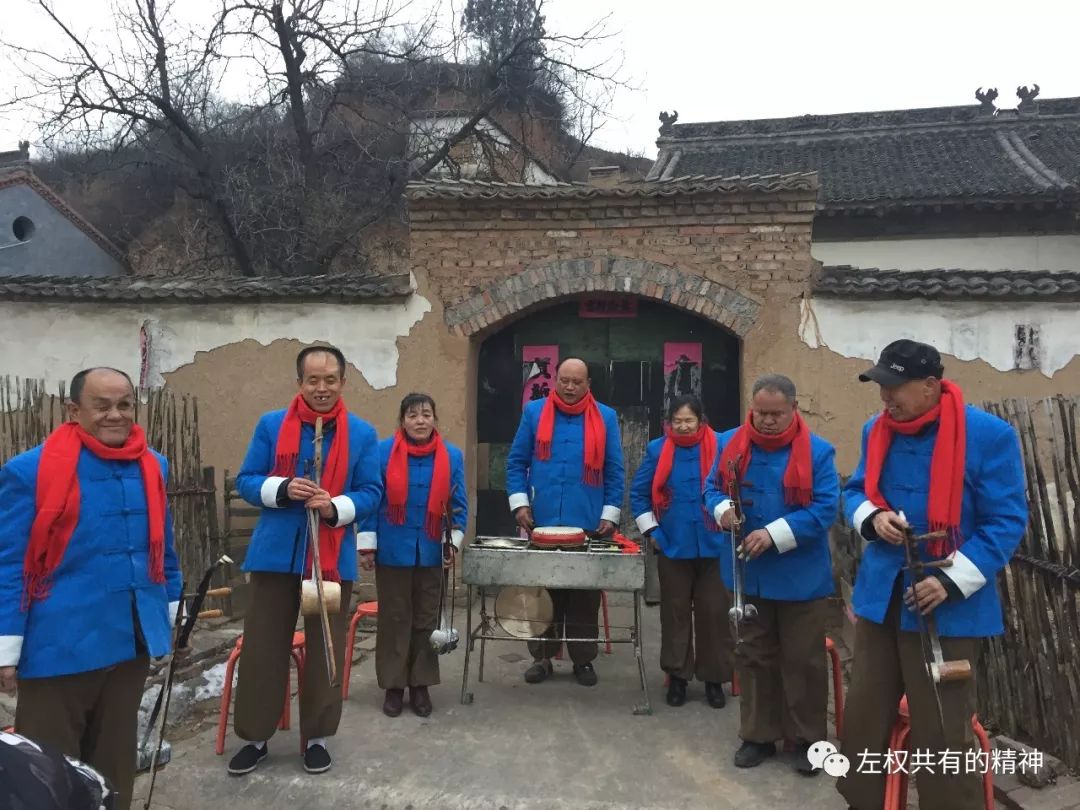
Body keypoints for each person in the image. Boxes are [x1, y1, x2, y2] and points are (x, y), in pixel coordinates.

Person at [837, 340, 1027, 810]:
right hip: (884, 597)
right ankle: (864, 802)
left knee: (942, 732)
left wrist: (949, 580)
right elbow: (855, 489)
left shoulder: (988, 436)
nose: (886, 399)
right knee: (864, 718)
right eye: (881, 388)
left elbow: (1006, 522)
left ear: (929, 386)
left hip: (951, 609)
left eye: (894, 388)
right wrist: (871, 517)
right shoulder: (875, 430)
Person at [0, 367, 182, 810]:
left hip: (129, 642)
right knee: (49, 771)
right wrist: (5, 651)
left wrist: (168, 615)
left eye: (124, 405)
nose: (115, 415)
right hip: (58, 648)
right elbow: (8, 567)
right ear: (73, 410)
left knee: (115, 764)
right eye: (102, 406)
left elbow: (166, 550)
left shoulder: (152, 465)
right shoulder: (29, 473)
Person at [227, 345, 381, 777]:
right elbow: (246, 480)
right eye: (313, 380)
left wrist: (335, 507)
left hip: (329, 563)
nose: (322, 388)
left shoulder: (363, 435)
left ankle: (316, 737)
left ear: (342, 383)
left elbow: (372, 492)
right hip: (275, 557)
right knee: (263, 647)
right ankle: (256, 737)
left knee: (324, 649)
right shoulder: (271, 425)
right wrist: (280, 489)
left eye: (330, 379)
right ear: (299, 383)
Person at [704, 374, 840, 773]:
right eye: (759, 412)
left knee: (803, 661)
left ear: (793, 410)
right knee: (753, 656)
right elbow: (711, 489)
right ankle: (758, 736)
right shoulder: (731, 444)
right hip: (749, 575)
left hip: (800, 576)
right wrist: (721, 511)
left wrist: (775, 533)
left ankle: (807, 741)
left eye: (775, 414)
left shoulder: (818, 452)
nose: (765, 421)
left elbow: (825, 508)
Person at [505, 357, 625, 686]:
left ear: (588, 385)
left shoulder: (606, 417)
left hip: (587, 520)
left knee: (583, 596)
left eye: (577, 382)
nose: (569, 387)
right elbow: (516, 463)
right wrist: (520, 506)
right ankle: (542, 658)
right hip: (540, 520)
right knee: (542, 594)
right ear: (556, 380)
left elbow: (615, 470)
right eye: (564, 381)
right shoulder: (534, 413)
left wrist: (609, 514)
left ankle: (583, 660)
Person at [357, 393, 467, 718]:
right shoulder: (380, 453)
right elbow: (370, 499)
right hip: (392, 551)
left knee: (425, 619)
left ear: (435, 419)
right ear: (402, 420)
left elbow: (459, 505)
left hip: (433, 550)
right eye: (413, 415)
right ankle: (393, 686)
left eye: (427, 414)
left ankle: (420, 684)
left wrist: (453, 542)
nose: (420, 421)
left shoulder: (453, 456)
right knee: (395, 618)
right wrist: (367, 544)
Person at [630, 394, 733, 709]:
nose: (684, 427)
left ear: (702, 421)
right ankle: (677, 677)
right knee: (674, 613)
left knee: (714, 613)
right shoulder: (657, 450)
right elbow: (638, 494)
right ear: (669, 423)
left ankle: (714, 679)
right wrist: (652, 532)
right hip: (673, 545)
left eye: (689, 420)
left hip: (716, 545)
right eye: (678, 421)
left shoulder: (722, 446)